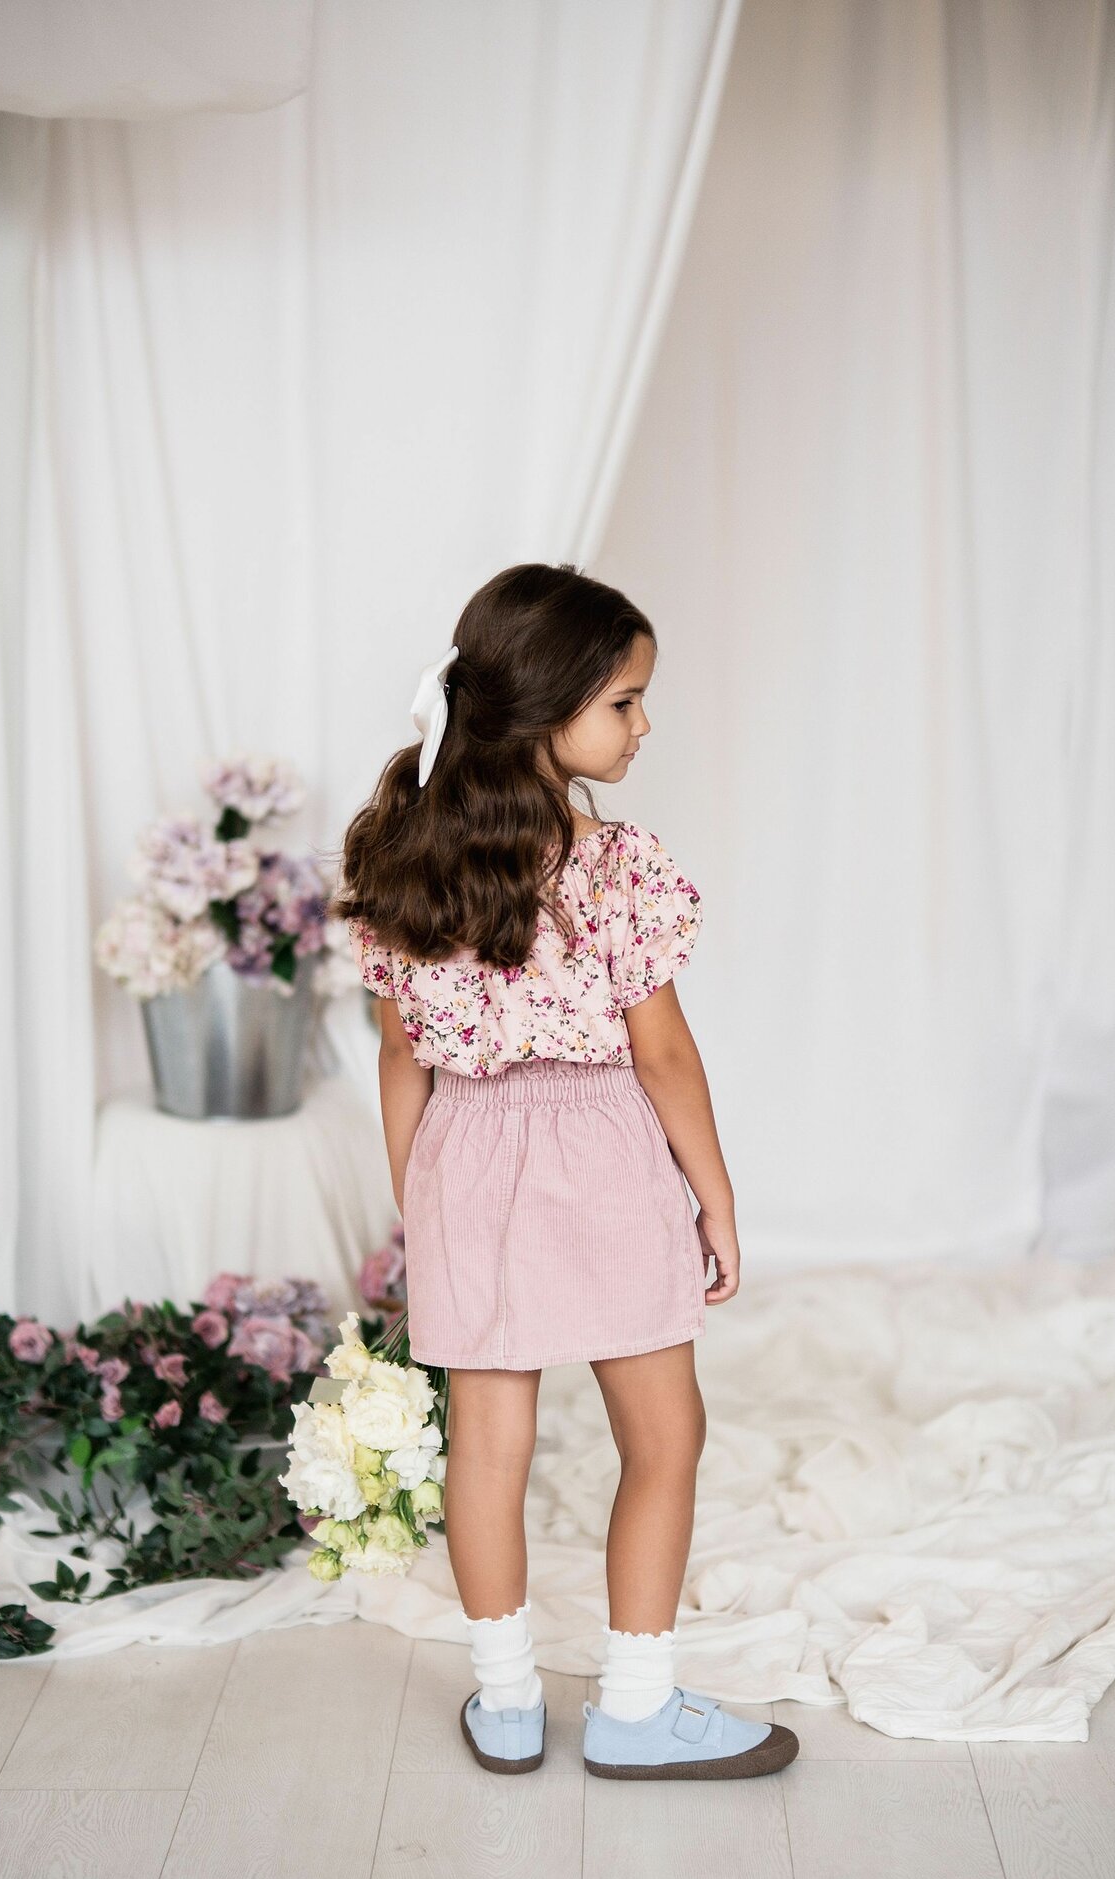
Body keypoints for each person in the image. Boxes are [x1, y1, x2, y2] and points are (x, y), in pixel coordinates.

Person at [333, 561, 797, 1782]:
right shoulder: (617, 864)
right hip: (600, 1152)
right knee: (664, 1432)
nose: (644, 725)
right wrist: (714, 1195)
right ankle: (636, 1705)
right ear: (545, 711)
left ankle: (506, 1701)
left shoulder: (401, 854)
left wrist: (420, 1193)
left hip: (465, 1151)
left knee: (486, 1449)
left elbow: (397, 1052)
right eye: (625, 702)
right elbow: (663, 1053)